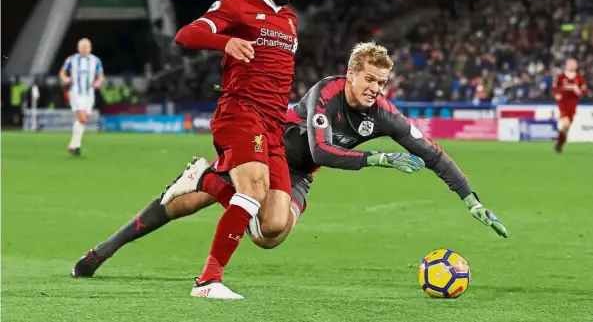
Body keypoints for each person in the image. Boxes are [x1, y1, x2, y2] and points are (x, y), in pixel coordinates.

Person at [72, 42, 508, 287]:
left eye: (382, 82)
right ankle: (100, 252)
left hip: (298, 175)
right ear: (351, 74)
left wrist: (471, 200)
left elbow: (432, 153)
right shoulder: (326, 92)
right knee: (183, 205)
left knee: (270, 235)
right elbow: (320, 150)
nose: (376, 88)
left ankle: (204, 179)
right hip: (267, 151)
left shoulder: (386, 116)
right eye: (369, 79)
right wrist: (378, 158)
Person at [168, 0, 309, 299]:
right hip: (240, 113)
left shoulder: (290, 20)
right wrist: (225, 41)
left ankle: (207, 179)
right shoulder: (236, 5)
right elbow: (186, 35)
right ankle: (207, 281)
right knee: (253, 187)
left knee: (272, 229)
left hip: (274, 126)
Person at [59, 38, 104, 155]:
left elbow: (100, 76)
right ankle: (74, 144)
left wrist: (98, 82)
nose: (84, 49)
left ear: (90, 48)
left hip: (89, 93)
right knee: (82, 118)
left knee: (83, 120)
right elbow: (63, 72)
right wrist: (66, 79)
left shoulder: (95, 61)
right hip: (76, 92)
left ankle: (75, 145)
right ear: (78, 48)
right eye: (82, 47)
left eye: (86, 47)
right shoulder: (72, 60)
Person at [553, 58, 587, 153]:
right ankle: (560, 143)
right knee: (565, 122)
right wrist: (557, 94)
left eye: (573, 64)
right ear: (566, 65)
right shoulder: (561, 77)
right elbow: (555, 87)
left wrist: (578, 91)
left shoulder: (579, 78)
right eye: (570, 64)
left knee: (566, 126)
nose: (572, 65)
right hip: (563, 102)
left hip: (573, 103)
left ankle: (560, 143)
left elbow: (583, 90)